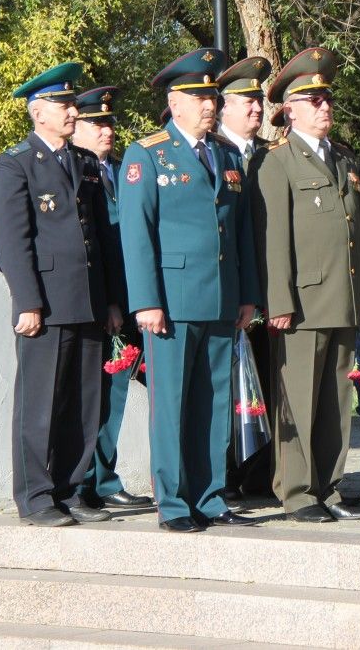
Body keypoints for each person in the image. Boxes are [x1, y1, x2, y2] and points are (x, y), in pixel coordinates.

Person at [118, 48, 261, 532]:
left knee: (214, 402)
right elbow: (137, 235)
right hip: (171, 303)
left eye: (212, 95)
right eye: (199, 96)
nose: (209, 104)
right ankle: (174, 503)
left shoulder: (224, 153)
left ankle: (210, 495)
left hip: (220, 297)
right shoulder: (148, 153)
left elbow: (240, 232)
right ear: (175, 102)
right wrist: (146, 301)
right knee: (172, 405)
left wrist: (247, 294)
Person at [0, 64, 123, 527]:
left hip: (87, 298)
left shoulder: (84, 164)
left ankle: (65, 488)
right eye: (64, 105)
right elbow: (12, 240)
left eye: (72, 104)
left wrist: (110, 300)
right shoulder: (16, 163)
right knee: (40, 403)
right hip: (45, 303)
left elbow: (101, 237)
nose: (72, 112)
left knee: (85, 403)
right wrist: (27, 302)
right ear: (38, 111)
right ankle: (35, 496)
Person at [249, 47, 360, 522]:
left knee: (338, 400)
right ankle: (298, 490)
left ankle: (329, 485)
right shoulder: (275, 161)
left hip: (342, 297)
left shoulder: (342, 159)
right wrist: (278, 300)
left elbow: (353, 235)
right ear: (289, 110)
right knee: (298, 397)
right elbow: (274, 238)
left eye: (326, 100)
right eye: (313, 101)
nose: (325, 108)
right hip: (301, 301)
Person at [70, 85, 153, 511]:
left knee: (117, 395)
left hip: (133, 299)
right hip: (98, 302)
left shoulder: (125, 170)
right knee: (95, 397)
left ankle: (103, 478)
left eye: (109, 124)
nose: (107, 131)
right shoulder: (77, 173)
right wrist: (109, 304)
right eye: (96, 124)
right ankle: (89, 481)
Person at [213, 57, 276, 501]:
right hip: (232, 291)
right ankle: (227, 474)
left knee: (270, 385)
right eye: (247, 101)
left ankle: (264, 474)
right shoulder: (216, 152)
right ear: (223, 107)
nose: (256, 109)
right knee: (227, 386)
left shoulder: (272, 156)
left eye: (258, 101)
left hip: (274, 292)